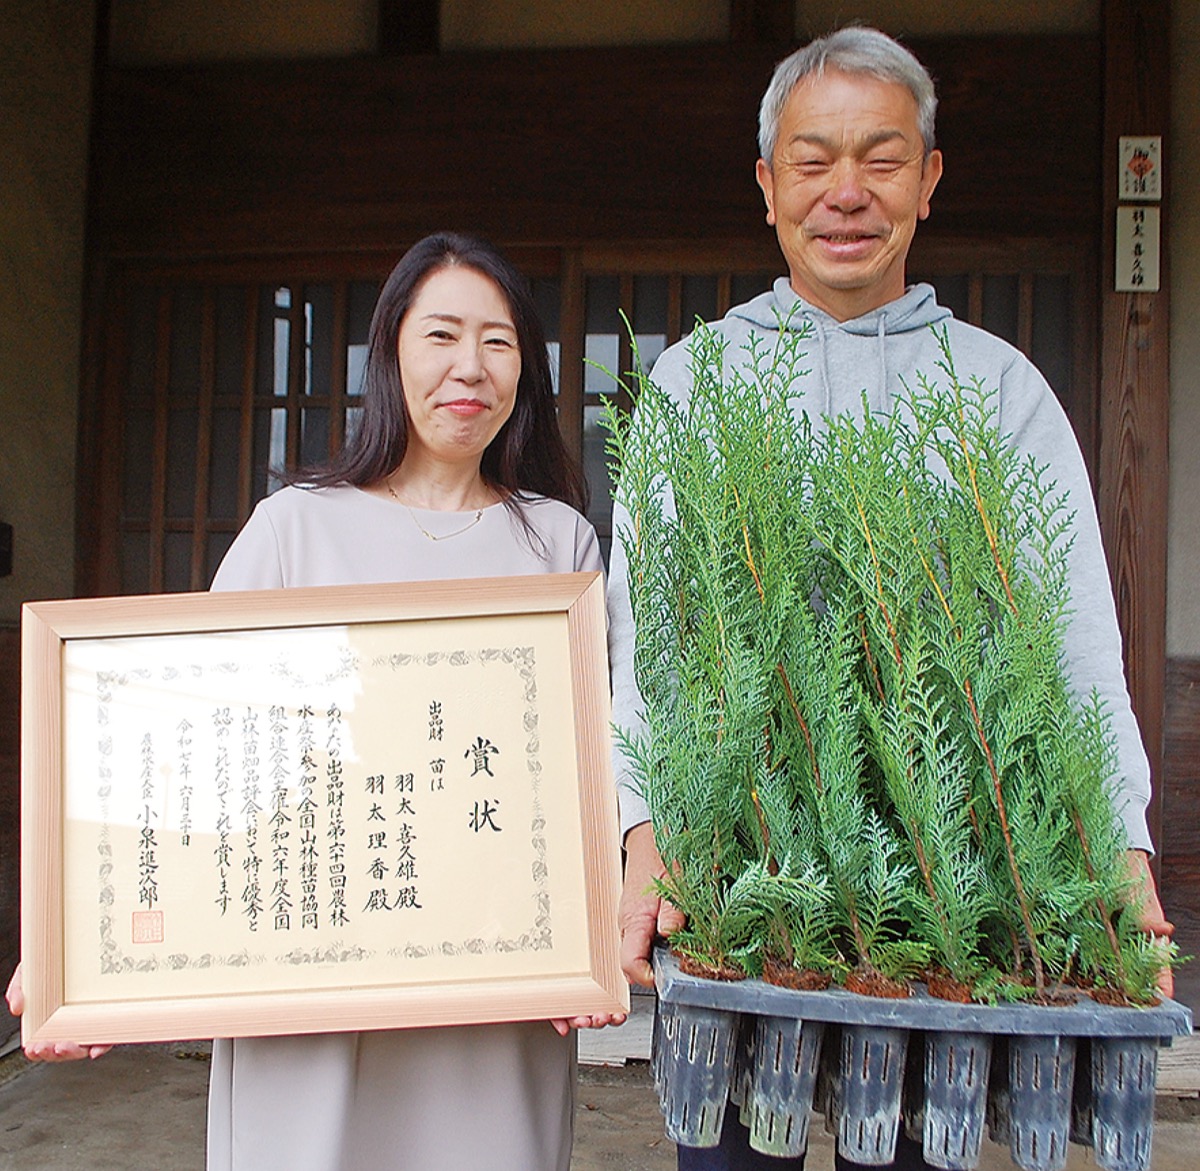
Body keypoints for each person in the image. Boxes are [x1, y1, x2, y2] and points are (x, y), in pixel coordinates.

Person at [608, 26, 1174, 1171]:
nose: (847, 192)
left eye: (882, 157)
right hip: (736, 870)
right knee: (730, 1153)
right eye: (814, 161)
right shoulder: (695, 380)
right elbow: (647, 642)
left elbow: (1074, 644)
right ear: (768, 185)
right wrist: (642, 829)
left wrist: (1124, 850)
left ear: (929, 179)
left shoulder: (1000, 390)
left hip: (942, 888)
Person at [7, 231, 624, 1170]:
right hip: (311, 981)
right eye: (442, 335)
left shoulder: (558, 543)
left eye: (499, 342)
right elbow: (191, 742)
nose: (471, 368)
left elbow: (591, 763)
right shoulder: (293, 527)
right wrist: (76, 947)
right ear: (390, 354)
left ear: (526, 371)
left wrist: (591, 930)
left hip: (493, 1001)